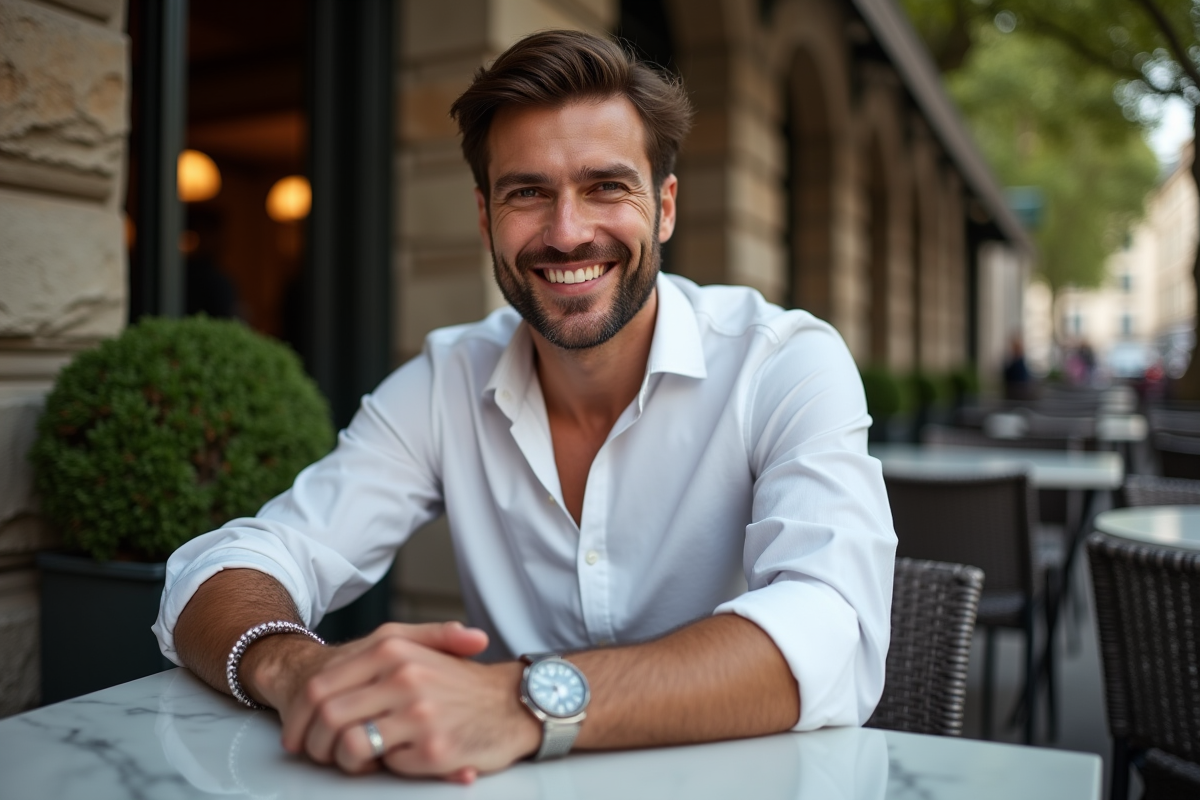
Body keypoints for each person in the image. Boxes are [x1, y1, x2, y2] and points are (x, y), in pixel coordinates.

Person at [153, 30, 896, 784]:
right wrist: (297, 669)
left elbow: (834, 628)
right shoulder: (447, 380)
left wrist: (520, 701)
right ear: (485, 219)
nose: (568, 232)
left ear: (664, 206)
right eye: (528, 193)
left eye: (606, 186)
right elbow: (231, 564)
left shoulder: (783, 362)